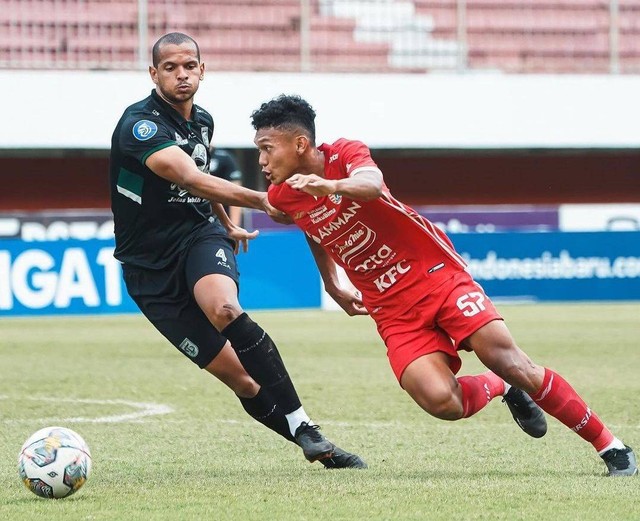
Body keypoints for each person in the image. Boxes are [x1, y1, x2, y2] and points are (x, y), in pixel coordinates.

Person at [250, 93, 638, 477]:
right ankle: (499, 388)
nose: (262, 161)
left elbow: (370, 183)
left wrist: (331, 187)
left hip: (435, 275)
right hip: (391, 310)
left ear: (300, 144)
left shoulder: (345, 154)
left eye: (267, 148)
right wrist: (332, 283)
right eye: (258, 151)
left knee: (511, 360)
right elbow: (311, 227)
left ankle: (612, 447)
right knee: (442, 402)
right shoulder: (285, 196)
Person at [108, 33, 365, 469]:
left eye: (189, 66)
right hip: (146, 269)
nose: (181, 74)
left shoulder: (202, 120)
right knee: (242, 380)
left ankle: (306, 427)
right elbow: (188, 176)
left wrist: (225, 223)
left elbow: (202, 176)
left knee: (224, 307)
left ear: (202, 70)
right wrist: (262, 199)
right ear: (154, 74)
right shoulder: (140, 125)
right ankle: (313, 445)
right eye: (170, 68)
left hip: (197, 237)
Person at [209, 147, 244, 227]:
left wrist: (234, 226)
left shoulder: (225, 158)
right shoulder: (187, 156)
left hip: (220, 222)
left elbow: (236, 192)